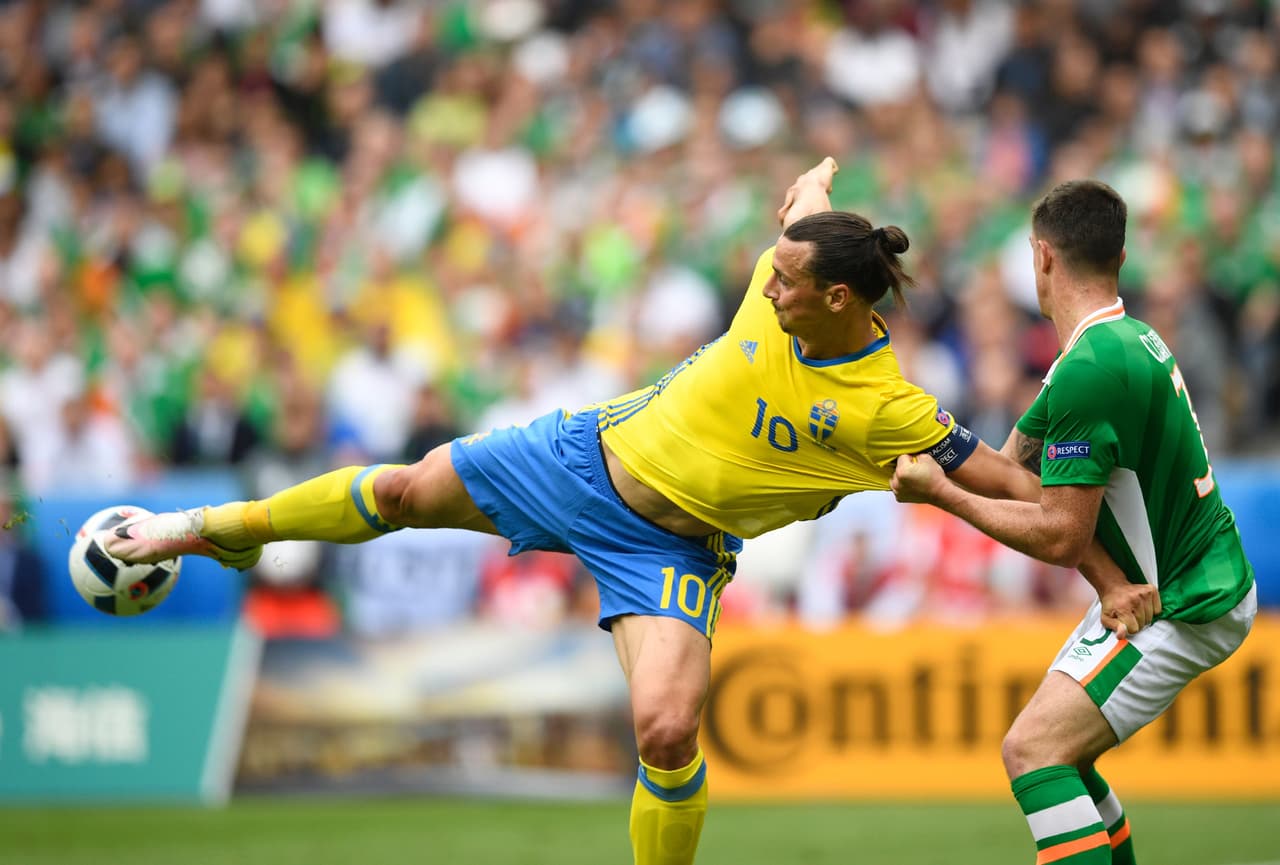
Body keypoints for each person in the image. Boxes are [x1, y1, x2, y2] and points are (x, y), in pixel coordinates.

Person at [105, 157, 1082, 865]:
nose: (763, 282)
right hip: (579, 456)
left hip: (669, 548)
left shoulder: (889, 408)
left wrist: (1039, 456)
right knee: (400, 489)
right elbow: (808, 202)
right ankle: (205, 533)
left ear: (834, 299)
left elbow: (1015, 484)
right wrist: (814, 184)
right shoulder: (791, 270)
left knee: (664, 728)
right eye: (771, 269)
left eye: (784, 281)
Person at [891, 179, 1256, 865]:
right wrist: (910, 423)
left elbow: (1059, 532)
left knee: (1034, 750)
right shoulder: (1119, 340)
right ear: (1119, 259)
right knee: (1067, 757)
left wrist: (939, 495)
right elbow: (1005, 469)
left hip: (1182, 597)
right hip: (1174, 582)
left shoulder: (1088, 369)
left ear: (1042, 258)